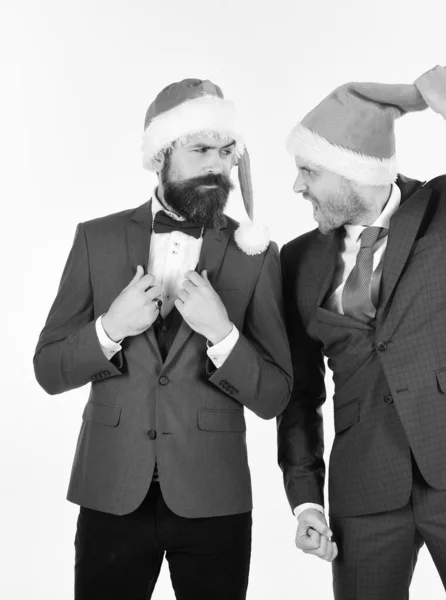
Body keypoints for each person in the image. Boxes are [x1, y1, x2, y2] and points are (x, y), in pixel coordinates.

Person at [277, 65, 446, 599]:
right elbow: (298, 395)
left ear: (350, 171)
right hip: (365, 488)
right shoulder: (299, 259)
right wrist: (307, 499)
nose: (297, 185)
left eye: (309, 170)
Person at [34, 78, 292, 600]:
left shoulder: (255, 254)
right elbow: (48, 370)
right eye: (199, 150)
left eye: (225, 151)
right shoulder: (96, 239)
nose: (216, 165)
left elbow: (275, 396)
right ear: (160, 156)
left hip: (213, 499)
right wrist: (110, 328)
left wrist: (222, 335)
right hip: (110, 493)